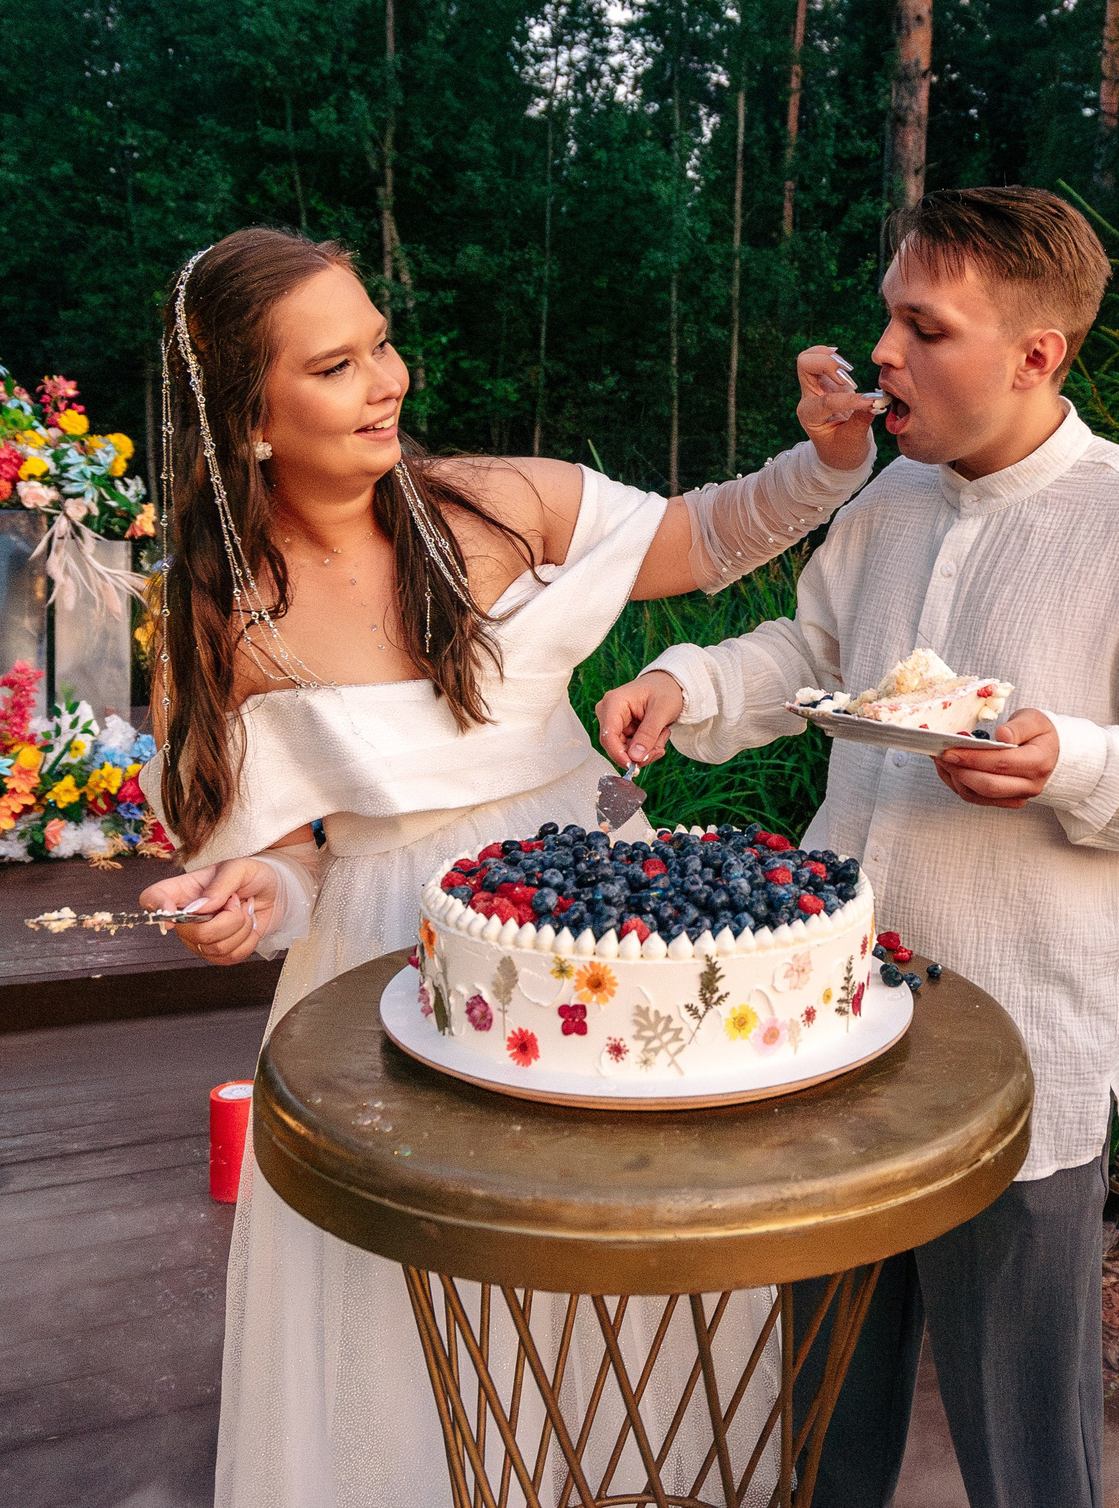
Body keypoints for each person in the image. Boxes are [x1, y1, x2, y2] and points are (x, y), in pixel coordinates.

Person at [134, 225, 881, 1508]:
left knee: (630, 1244)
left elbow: (699, 540)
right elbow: (282, 863)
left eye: (379, 342)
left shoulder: (491, 500)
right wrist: (253, 899)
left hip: (597, 910)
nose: (389, 380)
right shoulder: (219, 614)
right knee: (421, 1297)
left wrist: (826, 464)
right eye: (336, 366)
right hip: (387, 954)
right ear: (249, 422)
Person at [595, 186, 1119, 1508]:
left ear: (1039, 353)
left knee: (1029, 1456)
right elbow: (811, 653)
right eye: (888, 320)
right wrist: (689, 679)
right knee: (818, 1425)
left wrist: (1073, 761)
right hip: (838, 1026)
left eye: (926, 327)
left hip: (1026, 1056)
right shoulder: (889, 501)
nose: (887, 355)